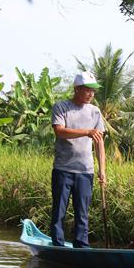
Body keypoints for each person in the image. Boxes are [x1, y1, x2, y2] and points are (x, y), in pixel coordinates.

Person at [50, 71, 106, 248]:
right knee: (59, 210)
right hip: (63, 169)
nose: (91, 94)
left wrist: (102, 170)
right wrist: (87, 131)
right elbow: (59, 131)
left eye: (93, 91)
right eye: (88, 90)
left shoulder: (95, 112)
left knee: (82, 213)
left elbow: (99, 143)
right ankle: (58, 245)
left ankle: (81, 245)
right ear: (77, 89)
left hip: (85, 171)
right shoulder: (61, 107)